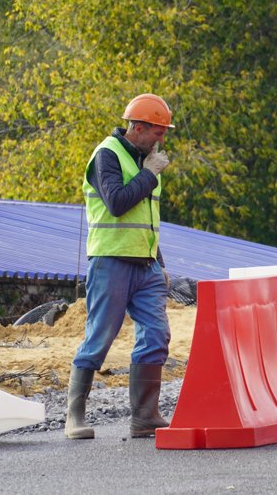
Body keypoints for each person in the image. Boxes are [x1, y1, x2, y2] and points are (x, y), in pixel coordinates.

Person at [65, 93, 174, 439]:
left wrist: (159, 262)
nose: (162, 140)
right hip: (110, 262)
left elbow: (147, 219)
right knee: (99, 338)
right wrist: (148, 175)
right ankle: (74, 417)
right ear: (137, 128)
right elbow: (117, 203)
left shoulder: (147, 162)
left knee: (156, 334)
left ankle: (144, 417)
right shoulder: (107, 155)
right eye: (158, 132)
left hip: (145, 266)